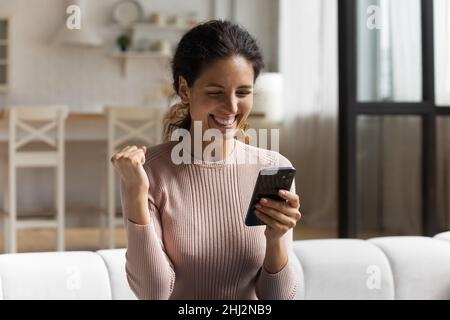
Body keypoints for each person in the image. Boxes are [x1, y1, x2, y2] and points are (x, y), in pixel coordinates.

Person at [111, 20, 302, 300]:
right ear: (185, 90)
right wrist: (135, 195)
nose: (232, 107)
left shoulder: (273, 168)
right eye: (216, 93)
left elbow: (278, 299)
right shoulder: (148, 172)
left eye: (243, 92)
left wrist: (275, 240)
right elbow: (154, 293)